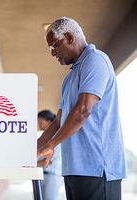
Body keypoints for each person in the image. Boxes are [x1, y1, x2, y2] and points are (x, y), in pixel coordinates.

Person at [37, 17, 126, 200]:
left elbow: (83, 111)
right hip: (74, 169)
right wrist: (37, 148)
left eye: (54, 45)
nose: (52, 53)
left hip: (98, 169)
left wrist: (51, 146)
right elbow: (58, 122)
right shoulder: (69, 79)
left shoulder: (96, 60)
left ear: (69, 37)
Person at [38, 110, 63, 200]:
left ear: (48, 121)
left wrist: (29, 163)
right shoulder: (45, 138)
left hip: (52, 175)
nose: (38, 124)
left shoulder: (55, 138)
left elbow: (47, 161)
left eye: (40, 122)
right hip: (44, 174)